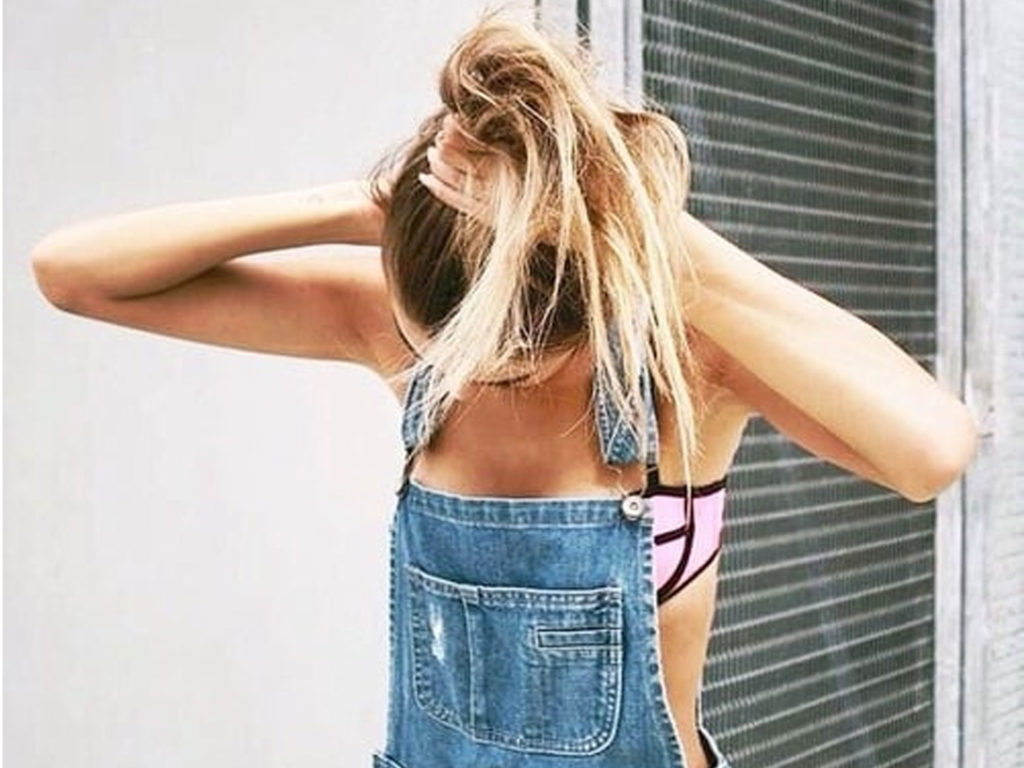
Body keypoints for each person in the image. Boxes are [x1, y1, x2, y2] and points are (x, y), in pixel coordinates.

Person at [31, 11, 977, 768]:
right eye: (443, 345)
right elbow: (73, 273)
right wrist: (362, 203)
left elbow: (931, 452)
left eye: (511, 357)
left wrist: (644, 232)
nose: (471, 374)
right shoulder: (381, 320)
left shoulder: (685, 355)